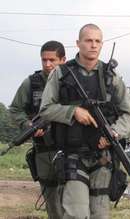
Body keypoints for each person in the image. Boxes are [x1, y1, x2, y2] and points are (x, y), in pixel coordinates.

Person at [40, 23, 130, 219]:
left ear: (102, 45)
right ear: (78, 43)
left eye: (97, 41)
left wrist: (114, 133)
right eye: (88, 40)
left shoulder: (112, 77)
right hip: (72, 155)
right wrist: (73, 112)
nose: (93, 45)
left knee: (99, 215)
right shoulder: (60, 73)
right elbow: (45, 110)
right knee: (76, 213)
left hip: (102, 157)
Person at [9, 41, 66, 218]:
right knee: (52, 204)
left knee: (73, 200)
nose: (48, 64)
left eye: (52, 60)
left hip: (69, 148)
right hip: (44, 150)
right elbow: (15, 109)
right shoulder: (31, 83)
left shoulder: (73, 82)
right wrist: (28, 126)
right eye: (44, 60)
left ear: (63, 60)